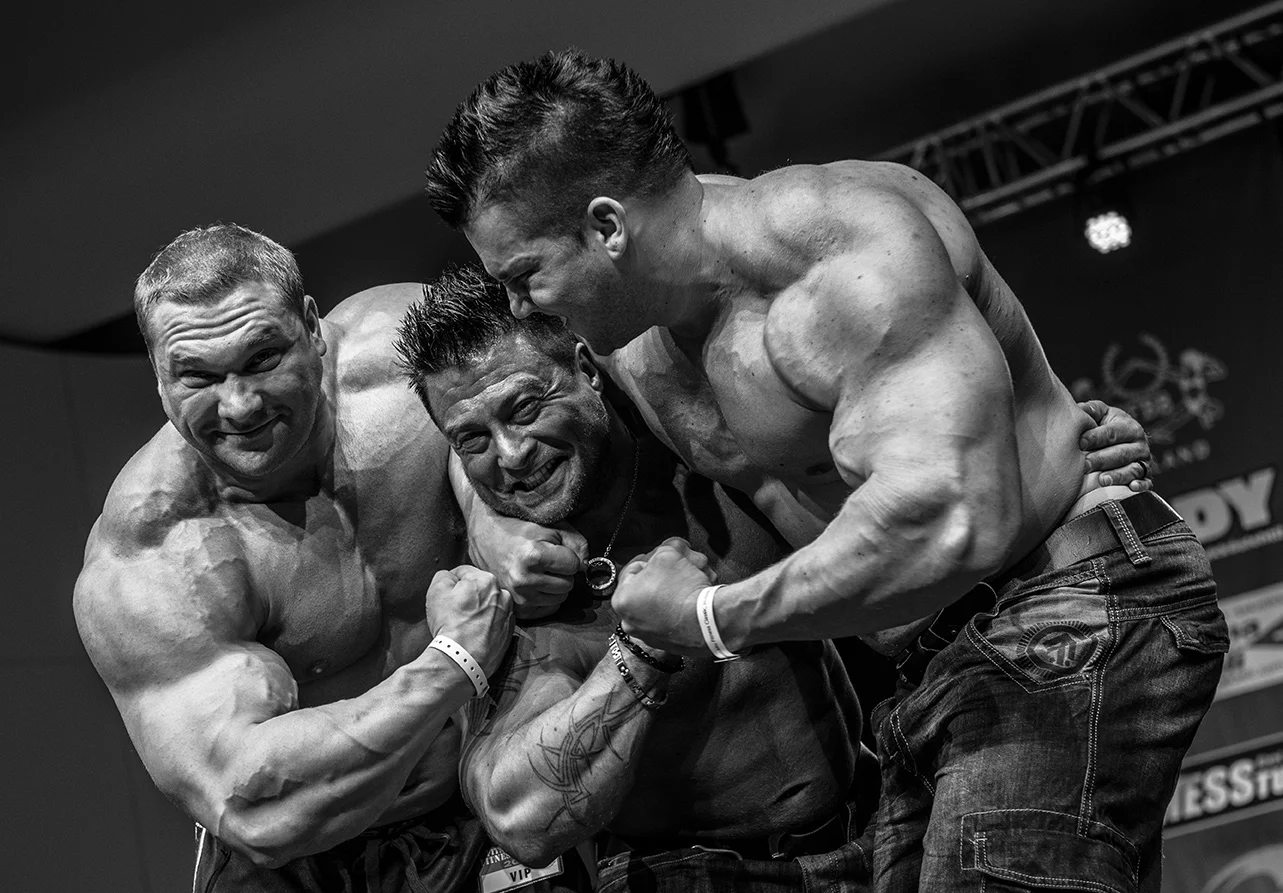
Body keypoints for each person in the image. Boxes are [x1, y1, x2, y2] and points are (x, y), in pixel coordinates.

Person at [424, 50, 1228, 891]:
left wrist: (707, 615)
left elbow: (952, 516)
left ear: (607, 227)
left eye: (523, 275)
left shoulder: (834, 253)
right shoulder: (627, 333)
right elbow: (474, 409)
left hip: (1054, 598)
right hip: (933, 662)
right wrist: (494, 526)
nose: (517, 306)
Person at [72, 224, 589, 892]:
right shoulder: (153, 549)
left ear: (312, 327)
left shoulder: (400, 352)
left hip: (478, 801)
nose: (240, 405)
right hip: (304, 858)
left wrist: (489, 515)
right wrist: (454, 661)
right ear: (159, 378)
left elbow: (538, 406)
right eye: (197, 376)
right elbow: (251, 802)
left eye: (262, 358)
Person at [395, 264, 881, 893]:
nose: (511, 454)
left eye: (525, 407)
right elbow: (519, 817)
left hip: (875, 809)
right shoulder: (519, 600)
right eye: (472, 439)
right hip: (697, 872)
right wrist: (643, 648)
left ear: (588, 370)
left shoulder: (702, 449)